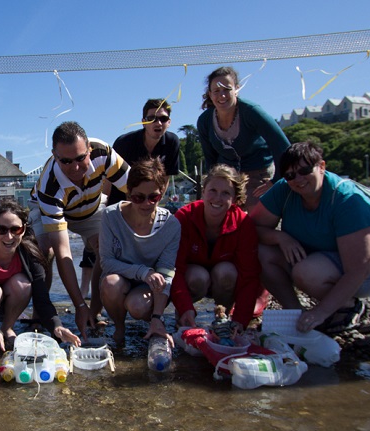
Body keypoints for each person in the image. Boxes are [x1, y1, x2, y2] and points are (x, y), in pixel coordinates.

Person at [252, 142, 370, 333]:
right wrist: (280, 237)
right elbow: (253, 228)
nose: (298, 179)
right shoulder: (284, 190)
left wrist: (320, 312)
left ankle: (347, 306)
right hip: (317, 257)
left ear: (321, 166)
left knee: (306, 272)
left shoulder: (347, 199)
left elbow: (359, 268)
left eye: (305, 170)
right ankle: (295, 312)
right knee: (260, 252)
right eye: (290, 175)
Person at [31, 121, 131, 338]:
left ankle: (93, 312)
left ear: (90, 150)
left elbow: (136, 189)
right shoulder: (50, 186)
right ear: (54, 156)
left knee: (106, 251)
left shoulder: (104, 153)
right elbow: (64, 253)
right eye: (65, 161)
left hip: (89, 208)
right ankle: (41, 312)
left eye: (80, 158)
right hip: (47, 207)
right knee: (45, 252)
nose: (75, 167)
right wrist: (77, 304)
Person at [0, 200, 81, 355]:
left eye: (15, 229)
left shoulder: (31, 253)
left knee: (23, 284)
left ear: (23, 230)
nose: (9, 237)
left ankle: (6, 327)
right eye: (1, 229)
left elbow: (42, 299)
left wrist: (57, 326)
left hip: (9, 300)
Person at [171, 164, 265, 330]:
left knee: (226, 272)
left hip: (224, 278)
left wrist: (240, 320)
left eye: (226, 193)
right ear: (204, 190)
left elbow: (249, 276)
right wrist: (185, 307)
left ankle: (225, 317)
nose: (217, 198)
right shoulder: (184, 217)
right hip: (195, 276)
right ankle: (184, 316)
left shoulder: (243, 223)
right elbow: (175, 269)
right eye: (213, 190)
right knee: (198, 277)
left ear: (235, 198)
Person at [99, 158, 181, 345]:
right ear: (128, 193)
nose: (146, 203)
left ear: (162, 194)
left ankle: (151, 321)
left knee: (137, 307)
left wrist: (158, 317)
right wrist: (144, 272)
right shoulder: (110, 216)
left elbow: (166, 273)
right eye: (139, 197)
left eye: (154, 197)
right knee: (111, 284)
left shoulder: (171, 225)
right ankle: (119, 327)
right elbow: (107, 262)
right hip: (121, 278)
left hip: (149, 288)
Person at [197, 66, 291, 213]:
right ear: (210, 94)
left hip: (258, 172)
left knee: (256, 214)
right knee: (217, 211)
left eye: (227, 89)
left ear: (237, 89)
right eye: (216, 91)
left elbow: (283, 146)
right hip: (228, 175)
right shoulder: (205, 121)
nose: (222, 96)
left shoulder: (251, 112)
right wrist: (211, 186)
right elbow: (211, 159)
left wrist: (276, 180)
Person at [113, 98, 180, 176]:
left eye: (163, 119)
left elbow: (165, 177)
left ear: (169, 122)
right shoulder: (124, 143)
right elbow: (109, 178)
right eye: (152, 118)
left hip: (152, 186)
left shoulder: (172, 142)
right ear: (144, 122)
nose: (158, 123)